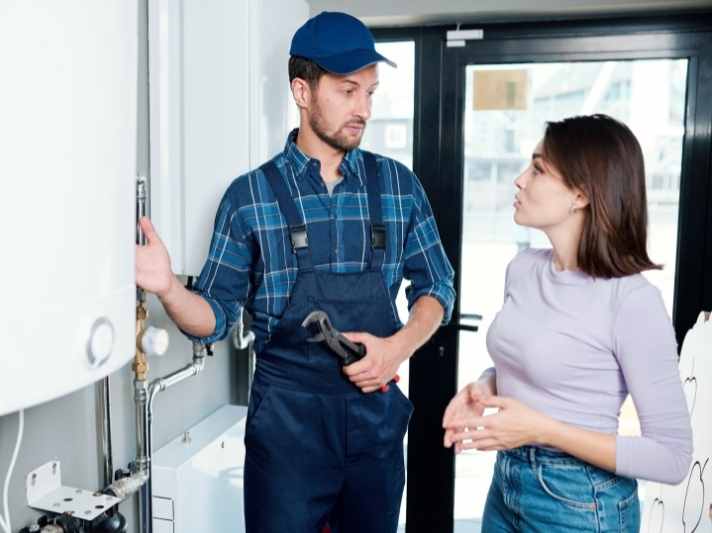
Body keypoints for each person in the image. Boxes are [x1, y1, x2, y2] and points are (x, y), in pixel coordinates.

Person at [136, 11, 455, 533]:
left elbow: (438, 287)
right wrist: (169, 288)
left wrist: (397, 348)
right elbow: (214, 317)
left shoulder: (398, 186)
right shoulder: (249, 198)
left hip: (375, 435)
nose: (364, 109)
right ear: (302, 91)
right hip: (287, 442)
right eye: (349, 91)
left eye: (370, 93)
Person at [442, 114, 693, 533]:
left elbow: (671, 458)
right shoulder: (522, 268)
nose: (519, 180)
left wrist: (542, 429)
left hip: (581, 501)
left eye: (538, 168)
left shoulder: (632, 301)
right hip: (507, 482)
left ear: (581, 193)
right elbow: (541, 371)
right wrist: (485, 387)